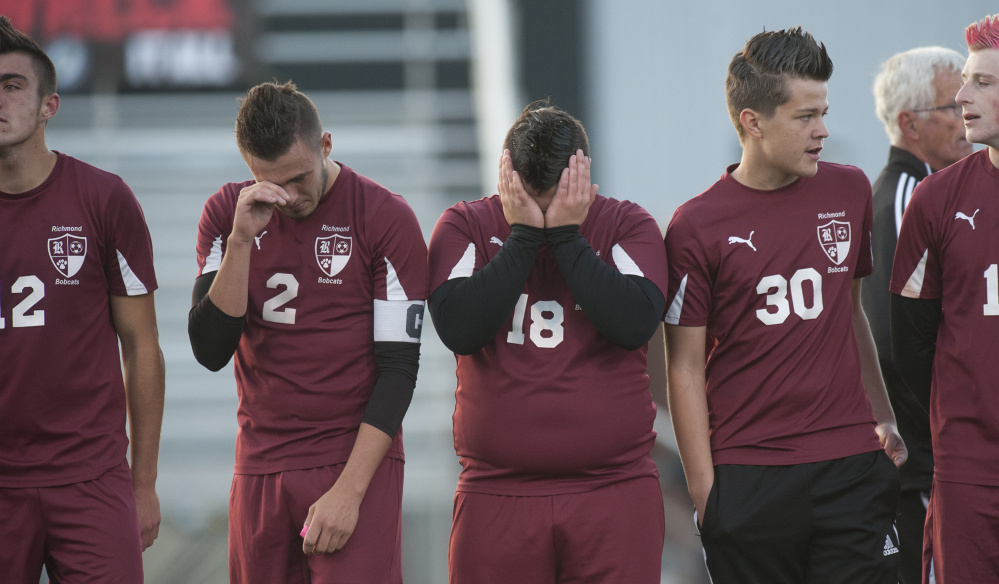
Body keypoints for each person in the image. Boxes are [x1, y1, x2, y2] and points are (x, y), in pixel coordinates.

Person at [663, 27, 906, 584]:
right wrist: (707, 496)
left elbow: (851, 314)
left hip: (851, 468)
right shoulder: (696, 225)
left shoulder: (848, 191)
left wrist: (884, 415)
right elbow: (683, 365)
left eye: (823, 112)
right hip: (750, 478)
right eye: (804, 117)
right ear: (752, 121)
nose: (822, 131)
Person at [187, 81, 427, 584]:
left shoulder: (385, 217)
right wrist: (241, 241)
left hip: (349, 459)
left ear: (326, 145)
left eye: (299, 177)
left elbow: (400, 369)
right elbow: (210, 349)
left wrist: (350, 491)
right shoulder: (227, 215)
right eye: (273, 182)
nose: (290, 196)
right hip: (260, 464)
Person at [427, 101, 669, 584]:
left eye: (552, 198)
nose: (541, 212)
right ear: (507, 175)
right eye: (530, 198)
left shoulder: (626, 224)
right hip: (496, 489)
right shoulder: (465, 225)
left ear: (580, 175)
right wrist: (521, 239)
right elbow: (459, 329)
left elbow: (634, 323)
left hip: (612, 486)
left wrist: (564, 237)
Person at [0, 15, 165, 584]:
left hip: (91, 478)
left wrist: (141, 482)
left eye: (12, 86)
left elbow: (142, 345)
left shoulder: (104, 200)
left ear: (50, 105)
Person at [890, 14, 999, 583]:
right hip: (968, 470)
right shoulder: (934, 201)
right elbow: (910, 340)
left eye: (984, 82)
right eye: (965, 81)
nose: (963, 96)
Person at [865, 45, 971, 584]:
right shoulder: (914, 197)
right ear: (909, 123)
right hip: (931, 458)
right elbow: (895, 338)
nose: (966, 115)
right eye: (951, 106)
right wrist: (942, 444)